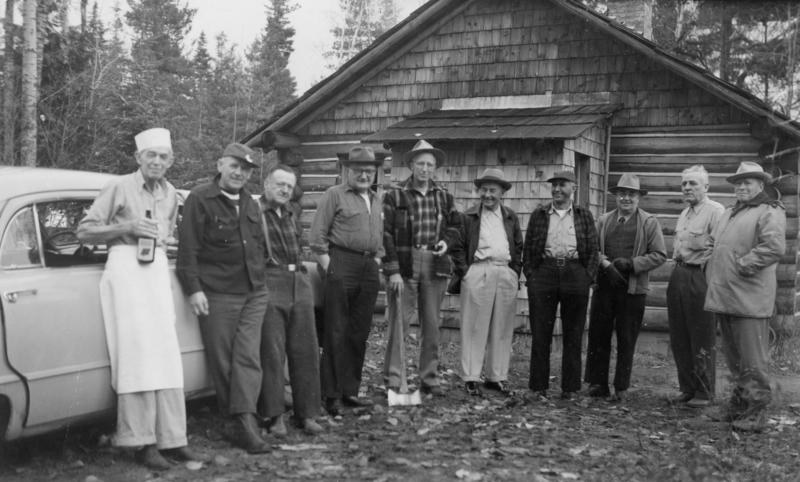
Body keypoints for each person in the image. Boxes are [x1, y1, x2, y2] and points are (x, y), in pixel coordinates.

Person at [77, 128, 206, 469]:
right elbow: (85, 231)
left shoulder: (170, 195)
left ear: (171, 161)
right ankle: (141, 441)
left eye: (164, 157)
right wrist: (127, 226)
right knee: (136, 357)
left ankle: (173, 438)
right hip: (125, 270)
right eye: (151, 155)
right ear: (138, 158)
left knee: (166, 354)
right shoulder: (119, 187)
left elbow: (166, 235)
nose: (157, 162)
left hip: (155, 270)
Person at [177, 143, 270, 453]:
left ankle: (243, 422)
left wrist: (261, 282)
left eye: (246, 169)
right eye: (234, 165)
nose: (239, 172)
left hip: (253, 290)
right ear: (219, 164)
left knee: (248, 357)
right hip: (217, 291)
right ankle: (242, 425)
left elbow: (256, 245)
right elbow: (187, 250)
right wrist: (194, 289)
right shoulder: (200, 198)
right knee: (224, 361)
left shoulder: (249, 202)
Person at [703, 161, 786, 432]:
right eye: (738, 183)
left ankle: (755, 414)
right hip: (725, 296)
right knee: (735, 359)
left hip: (750, 299)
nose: (741, 187)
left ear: (760, 186)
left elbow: (774, 247)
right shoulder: (730, 212)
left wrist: (742, 264)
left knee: (753, 361)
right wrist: (709, 263)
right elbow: (714, 244)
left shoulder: (768, 211)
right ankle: (738, 408)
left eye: (747, 182)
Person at [382, 140, 461, 397]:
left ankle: (429, 377)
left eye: (430, 164)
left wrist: (445, 242)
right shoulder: (394, 196)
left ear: (435, 168)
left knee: (431, 323)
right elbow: (385, 235)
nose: (425, 169)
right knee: (399, 322)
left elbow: (456, 227)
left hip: (435, 263)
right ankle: (395, 377)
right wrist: (392, 269)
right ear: (410, 166)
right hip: (405, 262)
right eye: (420, 164)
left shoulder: (445, 196)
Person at [310, 146, 385, 416]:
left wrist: (376, 261)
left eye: (369, 170)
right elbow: (317, 238)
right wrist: (332, 269)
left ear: (375, 172)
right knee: (336, 331)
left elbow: (379, 237)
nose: (364, 175)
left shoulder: (376, 199)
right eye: (359, 170)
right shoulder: (334, 195)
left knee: (358, 332)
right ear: (348, 171)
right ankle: (330, 395)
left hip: (368, 268)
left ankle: (349, 391)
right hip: (341, 263)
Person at [584, 173, 666, 402]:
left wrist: (632, 264)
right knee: (599, 335)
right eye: (622, 194)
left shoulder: (649, 222)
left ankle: (621, 386)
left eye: (631, 194)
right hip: (604, 287)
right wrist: (606, 265)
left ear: (638, 198)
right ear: (616, 196)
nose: (626, 198)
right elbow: (591, 249)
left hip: (632, 290)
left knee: (626, 338)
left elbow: (659, 255)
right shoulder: (603, 220)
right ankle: (598, 383)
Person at [256, 164, 323, 436]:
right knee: (272, 353)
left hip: (299, 282)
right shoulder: (253, 213)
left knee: (306, 349)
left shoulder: (292, 212)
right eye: (279, 184)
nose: (285, 190)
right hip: (270, 282)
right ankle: (274, 417)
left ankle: (306, 414)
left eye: (289, 186)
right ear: (266, 184)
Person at [523, 170, 599, 400]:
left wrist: (587, 276)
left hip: (575, 273)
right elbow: (528, 248)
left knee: (573, 333)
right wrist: (531, 274)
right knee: (540, 332)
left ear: (573, 187)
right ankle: (538, 387)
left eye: (562, 184)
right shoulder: (539, 214)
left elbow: (593, 249)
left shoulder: (584, 215)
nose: (557, 189)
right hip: (544, 272)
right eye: (554, 185)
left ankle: (570, 388)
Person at [453, 168, 523, 396]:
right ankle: (471, 376)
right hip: (478, 271)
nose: (487, 195)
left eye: (493, 190)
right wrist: (466, 272)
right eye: (483, 190)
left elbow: (518, 246)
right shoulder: (469, 216)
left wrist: (514, 272)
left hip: (505, 273)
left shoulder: (510, 216)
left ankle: (496, 376)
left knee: (502, 328)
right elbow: (458, 247)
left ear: (502, 191)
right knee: (474, 327)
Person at [666, 166, 724, 408]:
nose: (687, 188)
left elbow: (720, 250)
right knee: (680, 336)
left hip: (700, 277)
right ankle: (687, 388)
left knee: (701, 335)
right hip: (679, 273)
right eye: (684, 184)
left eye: (693, 184)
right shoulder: (684, 213)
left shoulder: (715, 211)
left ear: (706, 187)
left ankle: (704, 392)